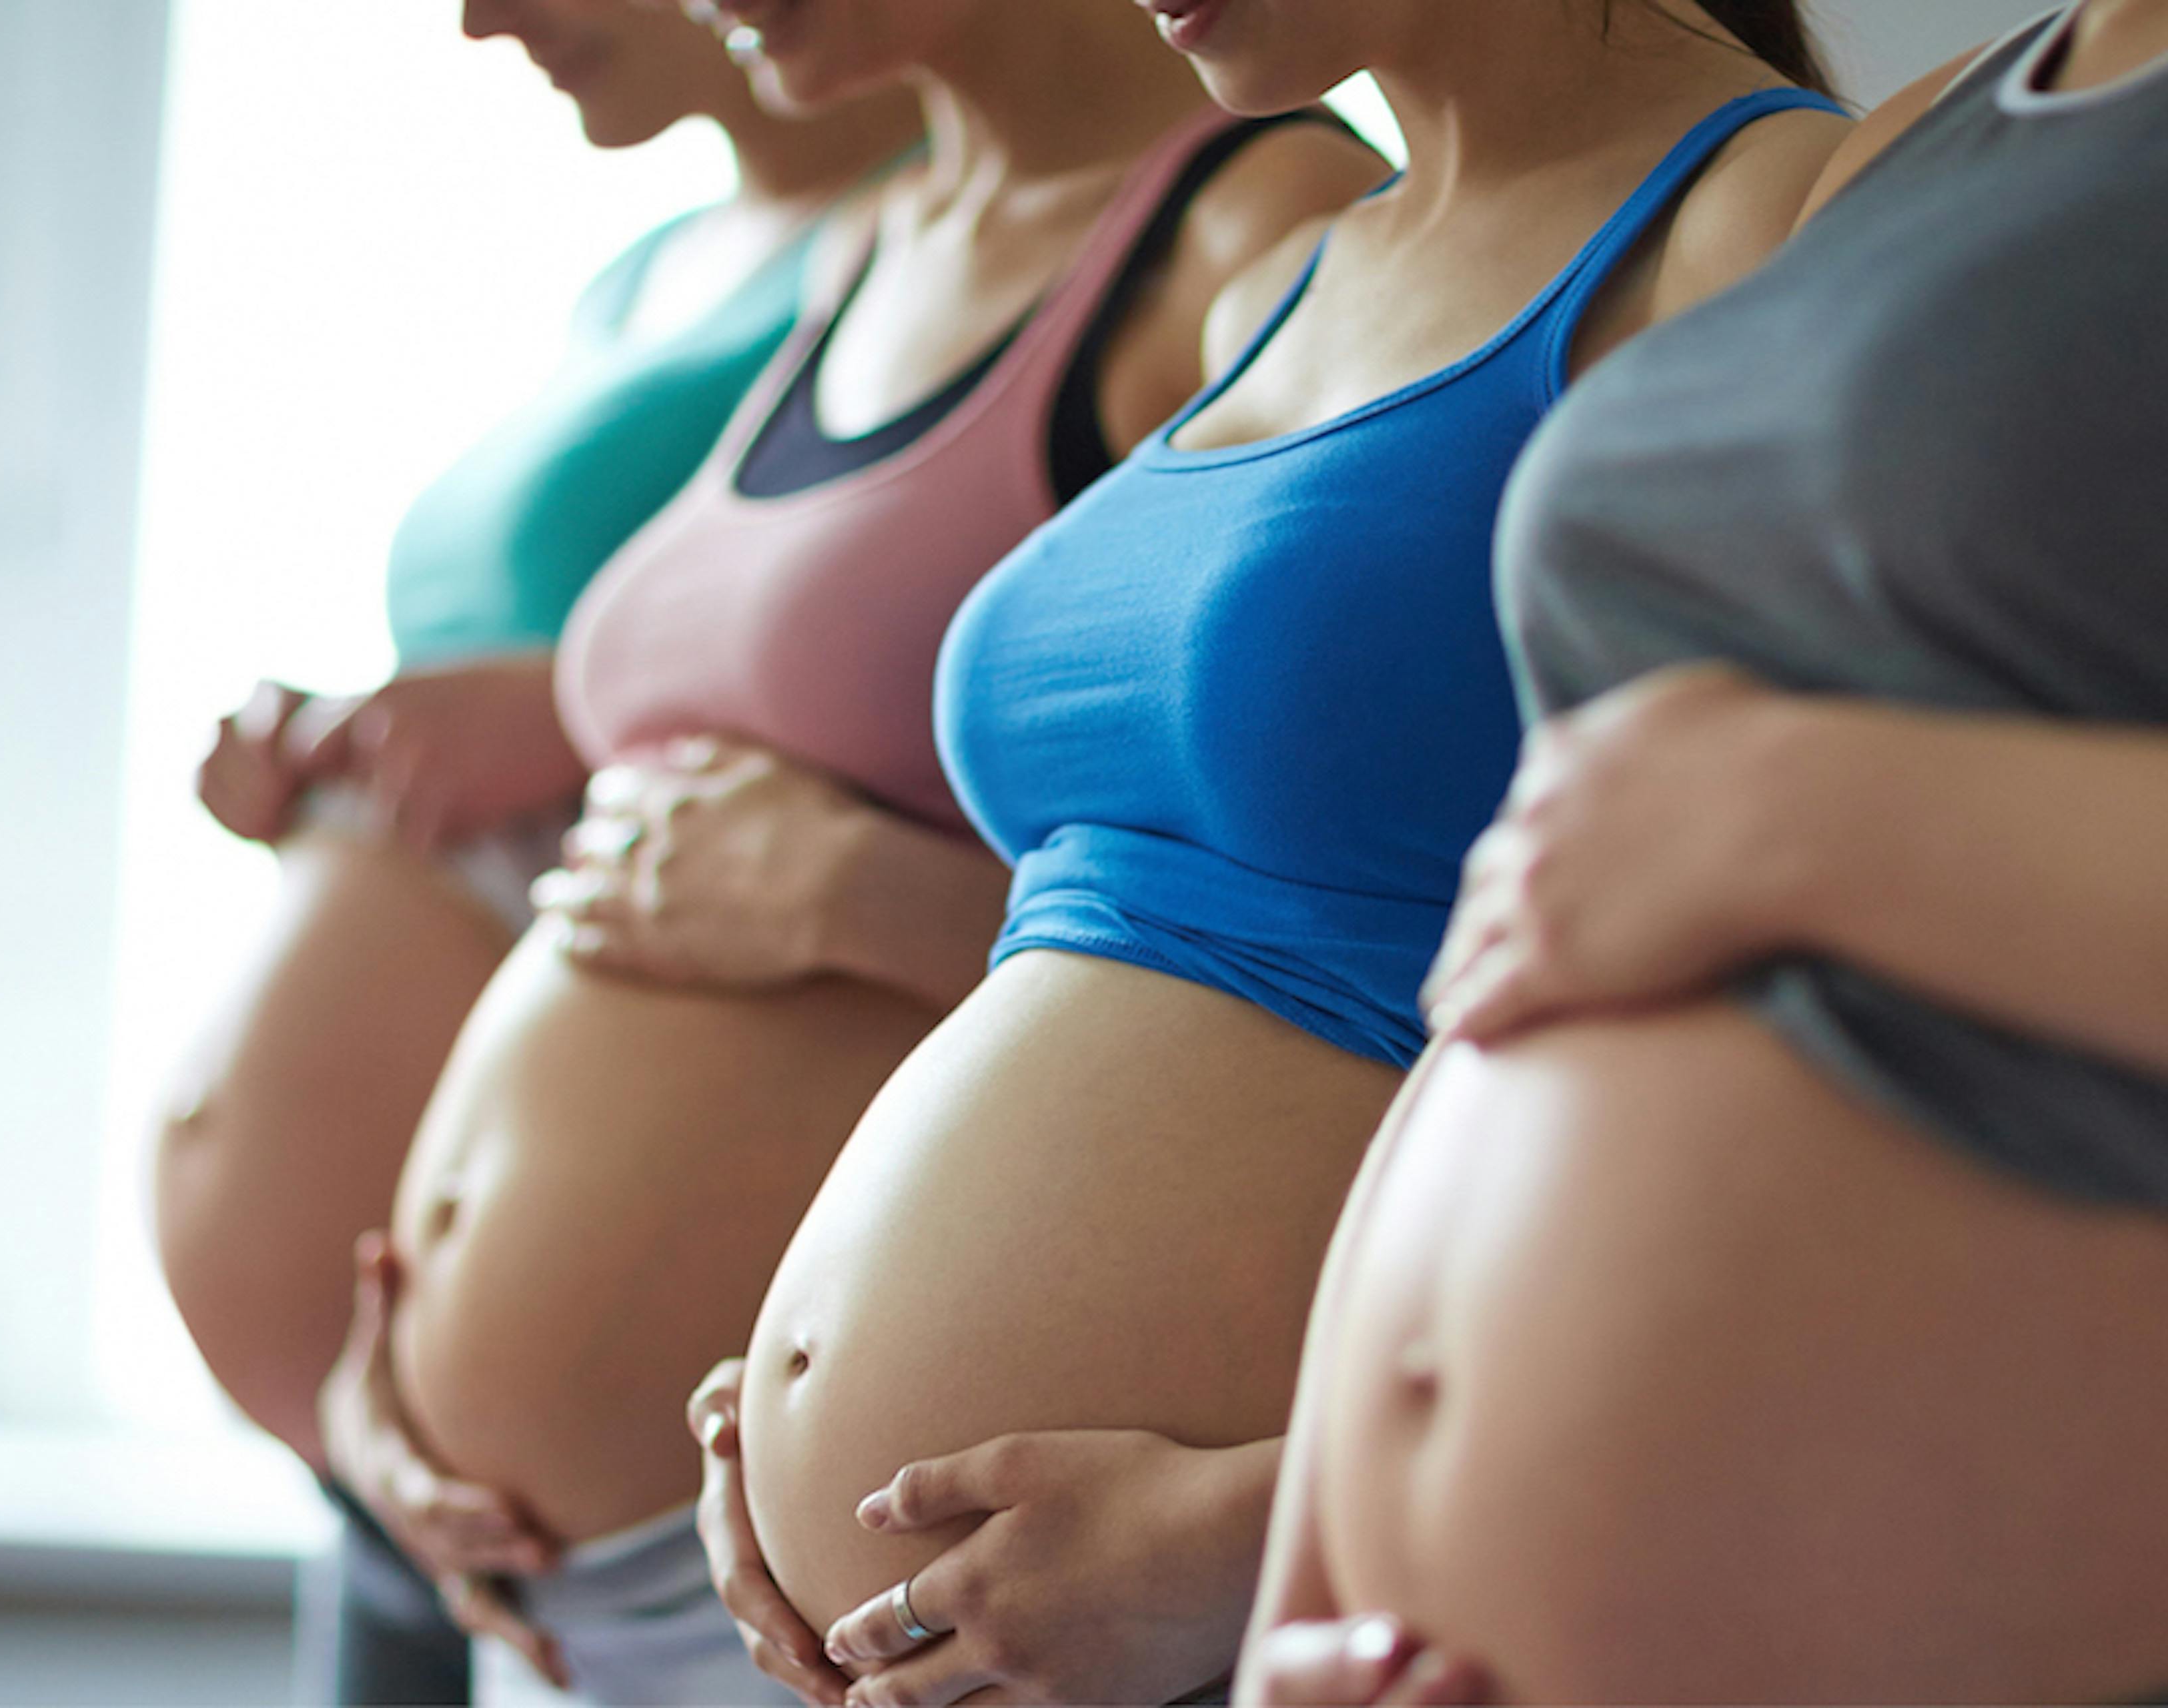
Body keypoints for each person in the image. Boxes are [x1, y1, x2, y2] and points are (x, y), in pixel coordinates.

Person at [1241, 0, 2168, 1700]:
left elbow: (1709, 818)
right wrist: (1316, 1581)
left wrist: (1800, 811)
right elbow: (1547, 916)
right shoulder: (1908, 144)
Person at [681, 3, 1848, 1703]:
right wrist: (789, 1390)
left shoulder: (1770, 225)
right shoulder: (1278, 286)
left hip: (1319, 1617)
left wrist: (1255, 1531)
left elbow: (1852, 1073)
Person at [314, 0, 1383, 1699]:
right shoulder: (867, 248)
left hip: (941, 1567)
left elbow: (1318, 938)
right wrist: (387, 1382)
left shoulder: (1268, 238)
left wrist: (844, 895)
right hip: (585, 1552)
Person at [157, 3, 918, 1701]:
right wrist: (335, 747)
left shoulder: (955, 237)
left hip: (633, 1436)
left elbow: (854, 704)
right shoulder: (645, 270)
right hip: (382, 1409)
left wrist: (573, 711)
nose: (483, 12)